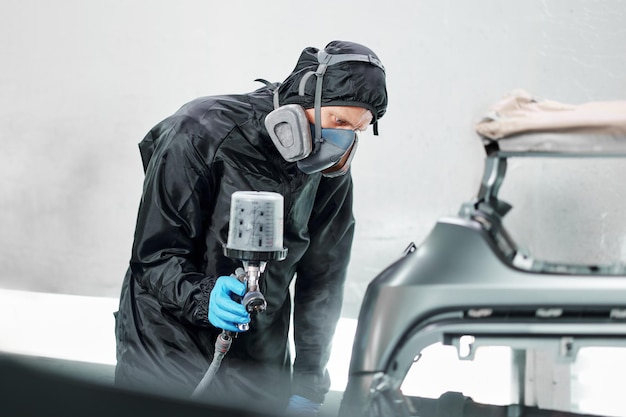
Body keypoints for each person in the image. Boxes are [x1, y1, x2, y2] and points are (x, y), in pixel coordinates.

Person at [114, 40, 388, 416]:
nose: (341, 141)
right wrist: (201, 296)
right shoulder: (199, 132)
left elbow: (323, 278)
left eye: (357, 129)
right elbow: (153, 254)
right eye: (338, 122)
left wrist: (309, 383)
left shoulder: (329, 168)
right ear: (305, 98)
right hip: (165, 342)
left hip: (260, 351)